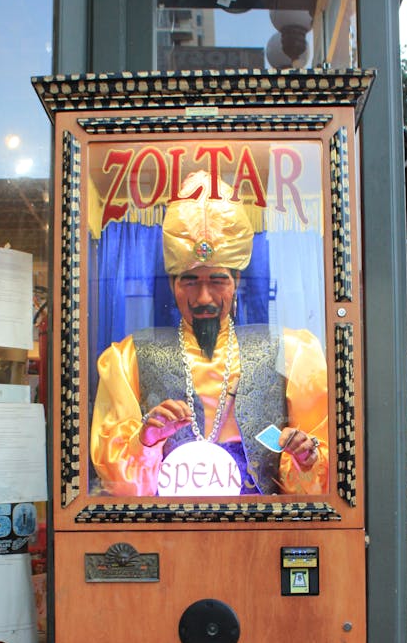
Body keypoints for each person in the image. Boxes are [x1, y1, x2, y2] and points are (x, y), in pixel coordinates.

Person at [90, 171, 328, 497]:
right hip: (167, 528)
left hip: (259, 530)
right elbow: (121, 483)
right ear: (173, 285)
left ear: (237, 282)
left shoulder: (290, 350)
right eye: (190, 281)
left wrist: (305, 456)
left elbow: (315, 482)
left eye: (217, 281)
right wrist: (146, 439)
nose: (204, 298)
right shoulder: (130, 356)